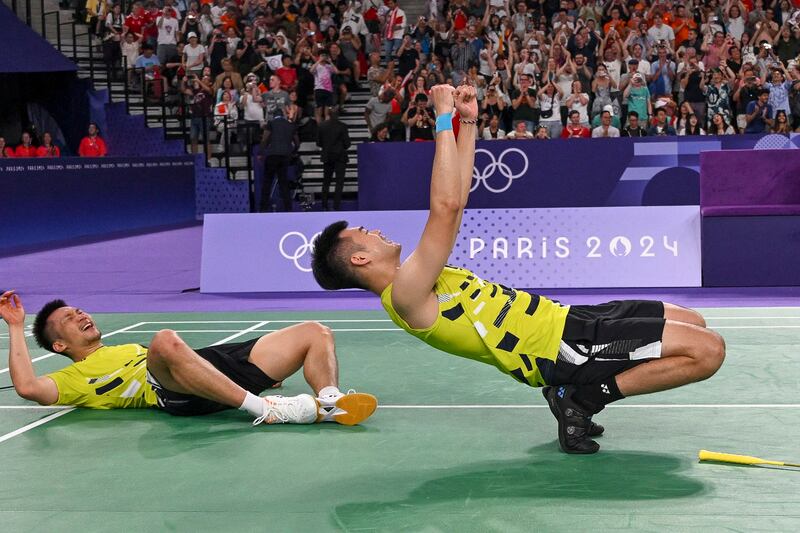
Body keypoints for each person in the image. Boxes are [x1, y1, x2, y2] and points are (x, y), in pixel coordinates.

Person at [310, 84, 726, 455]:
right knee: (708, 351)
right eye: (365, 232)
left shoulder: (416, 276)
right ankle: (582, 398)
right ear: (359, 259)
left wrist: (468, 122)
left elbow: (457, 201)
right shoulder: (405, 294)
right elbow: (446, 206)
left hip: (565, 320)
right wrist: (441, 118)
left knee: (694, 321)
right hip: (560, 349)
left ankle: (577, 395)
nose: (375, 230)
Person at [0, 291, 376, 426]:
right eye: (68, 318)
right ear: (60, 346)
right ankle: (265, 408)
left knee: (315, 331)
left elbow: (185, 359)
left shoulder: (120, 348)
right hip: (168, 392)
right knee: (164, 340)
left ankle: (331, 401)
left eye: (79, 310)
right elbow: (28, 387)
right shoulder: (73, 378)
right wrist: (15, 325)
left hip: (204, 367)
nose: (81, 315)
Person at [260, 109, 298, 212]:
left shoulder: (271, 123)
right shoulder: (290, 125)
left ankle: (263, 209)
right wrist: (293, 151)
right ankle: (288, 209)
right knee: (283, 183)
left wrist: (261, 152)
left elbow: (264, 139)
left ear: (274, 116)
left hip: (272, 155)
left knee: (267, 182)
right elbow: (297, 142)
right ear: (283, 116)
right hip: (285, 156)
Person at [317, 110, 351, 211]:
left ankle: (324, 205)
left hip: (327, 156)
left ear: (329, 115)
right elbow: (347, 144)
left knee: (326, 182)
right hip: (340, 157)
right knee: (339, 183)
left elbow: (318, 142)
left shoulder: (322, 126)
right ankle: (336, 206)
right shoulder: (343, 126)